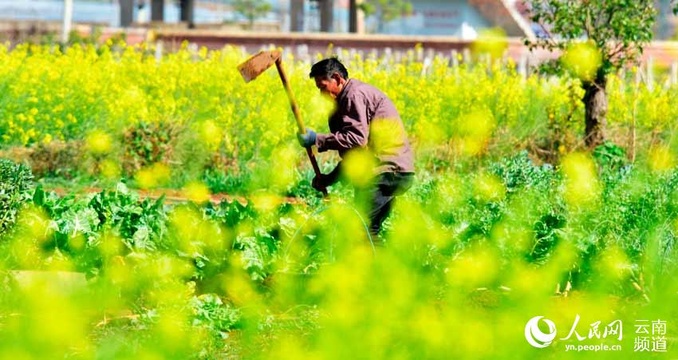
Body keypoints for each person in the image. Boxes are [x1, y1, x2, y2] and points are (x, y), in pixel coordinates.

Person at [296, 57, 415, 244]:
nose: (321, 93)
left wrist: (316, 139)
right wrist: (329, 179)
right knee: (366, 231)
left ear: (337, 78)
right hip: (382, 171)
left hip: (386, 170)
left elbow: (356, 140)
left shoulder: (354, 95)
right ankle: (379, 270)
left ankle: (377, 271)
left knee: (361, 231)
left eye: (323, 86)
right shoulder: (347, 99)